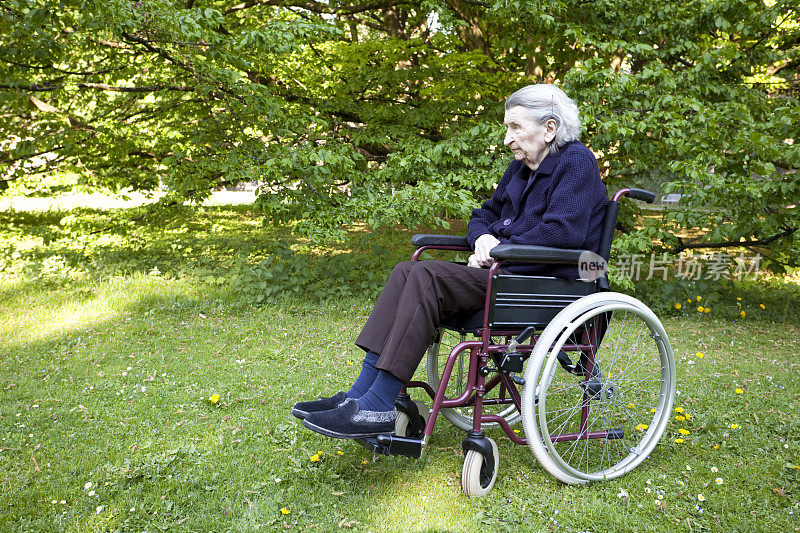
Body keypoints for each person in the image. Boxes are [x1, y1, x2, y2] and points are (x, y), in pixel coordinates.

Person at [292, 84, 608, 439]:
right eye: (508, 128)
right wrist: (484, 239)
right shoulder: (519, 169)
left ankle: (377, 404)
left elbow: (564, 234)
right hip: (507, 274)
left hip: (543, 284)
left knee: (427, 275)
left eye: (515, 127)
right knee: (406, 270)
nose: (507, 139)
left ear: (549, 128)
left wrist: (500, 251)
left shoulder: (577, 162)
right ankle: (359, 398)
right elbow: (482, 215)